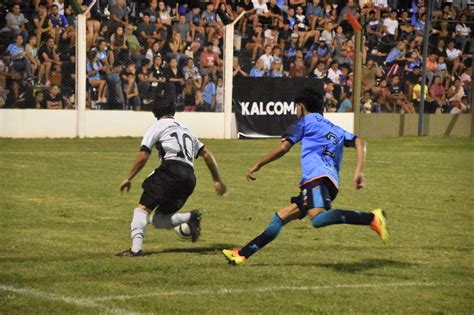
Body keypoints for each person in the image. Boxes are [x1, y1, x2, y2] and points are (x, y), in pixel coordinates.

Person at [222, 88, 388, 265]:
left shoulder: (304, 122)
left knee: (318, 219)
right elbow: (359, 142)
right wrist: (359, 171)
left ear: (301, 106)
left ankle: (372, 218)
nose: (296, 111)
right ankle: (242, 254)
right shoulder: (334, 128)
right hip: (329, 182)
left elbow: (284, 147)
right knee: (280, 217)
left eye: (296, 108)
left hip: (316, 180)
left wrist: (259, 164)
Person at [118, 99, 228, 256]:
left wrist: (128, 177)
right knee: (158, 220)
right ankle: (190, 217)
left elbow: (143, 155)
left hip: (170, 171)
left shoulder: (157, 126)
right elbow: (206, 154)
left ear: (155, 113)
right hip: (189, 177)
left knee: (141, 210)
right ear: (173, 112)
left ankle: (135, 250)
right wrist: (217, 180)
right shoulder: (187, 130)